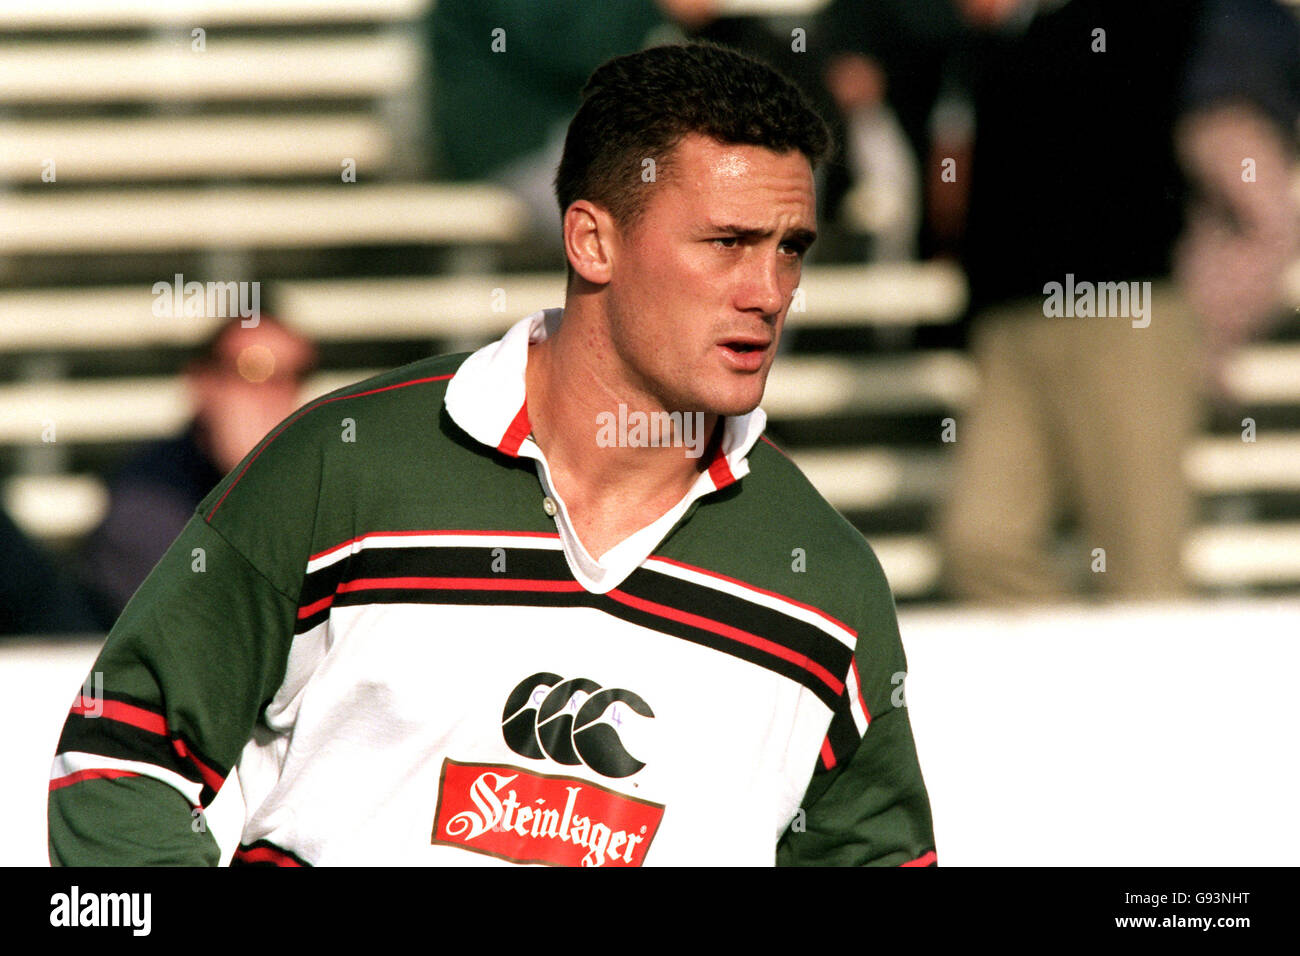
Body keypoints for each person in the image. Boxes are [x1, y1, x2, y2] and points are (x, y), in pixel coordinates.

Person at [49, 42, 936, 867]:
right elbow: (121, 750)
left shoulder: (825, 580)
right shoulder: (344, 467)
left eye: (791, 250)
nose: (770, 290)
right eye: (728, 243)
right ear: (592, 241)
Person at [75, 315, 319, 627]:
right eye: (252, 370)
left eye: (293, 375)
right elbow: (193, 631)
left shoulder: (314, 486)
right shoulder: (147, 496)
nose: (272, 396)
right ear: (202, 383)